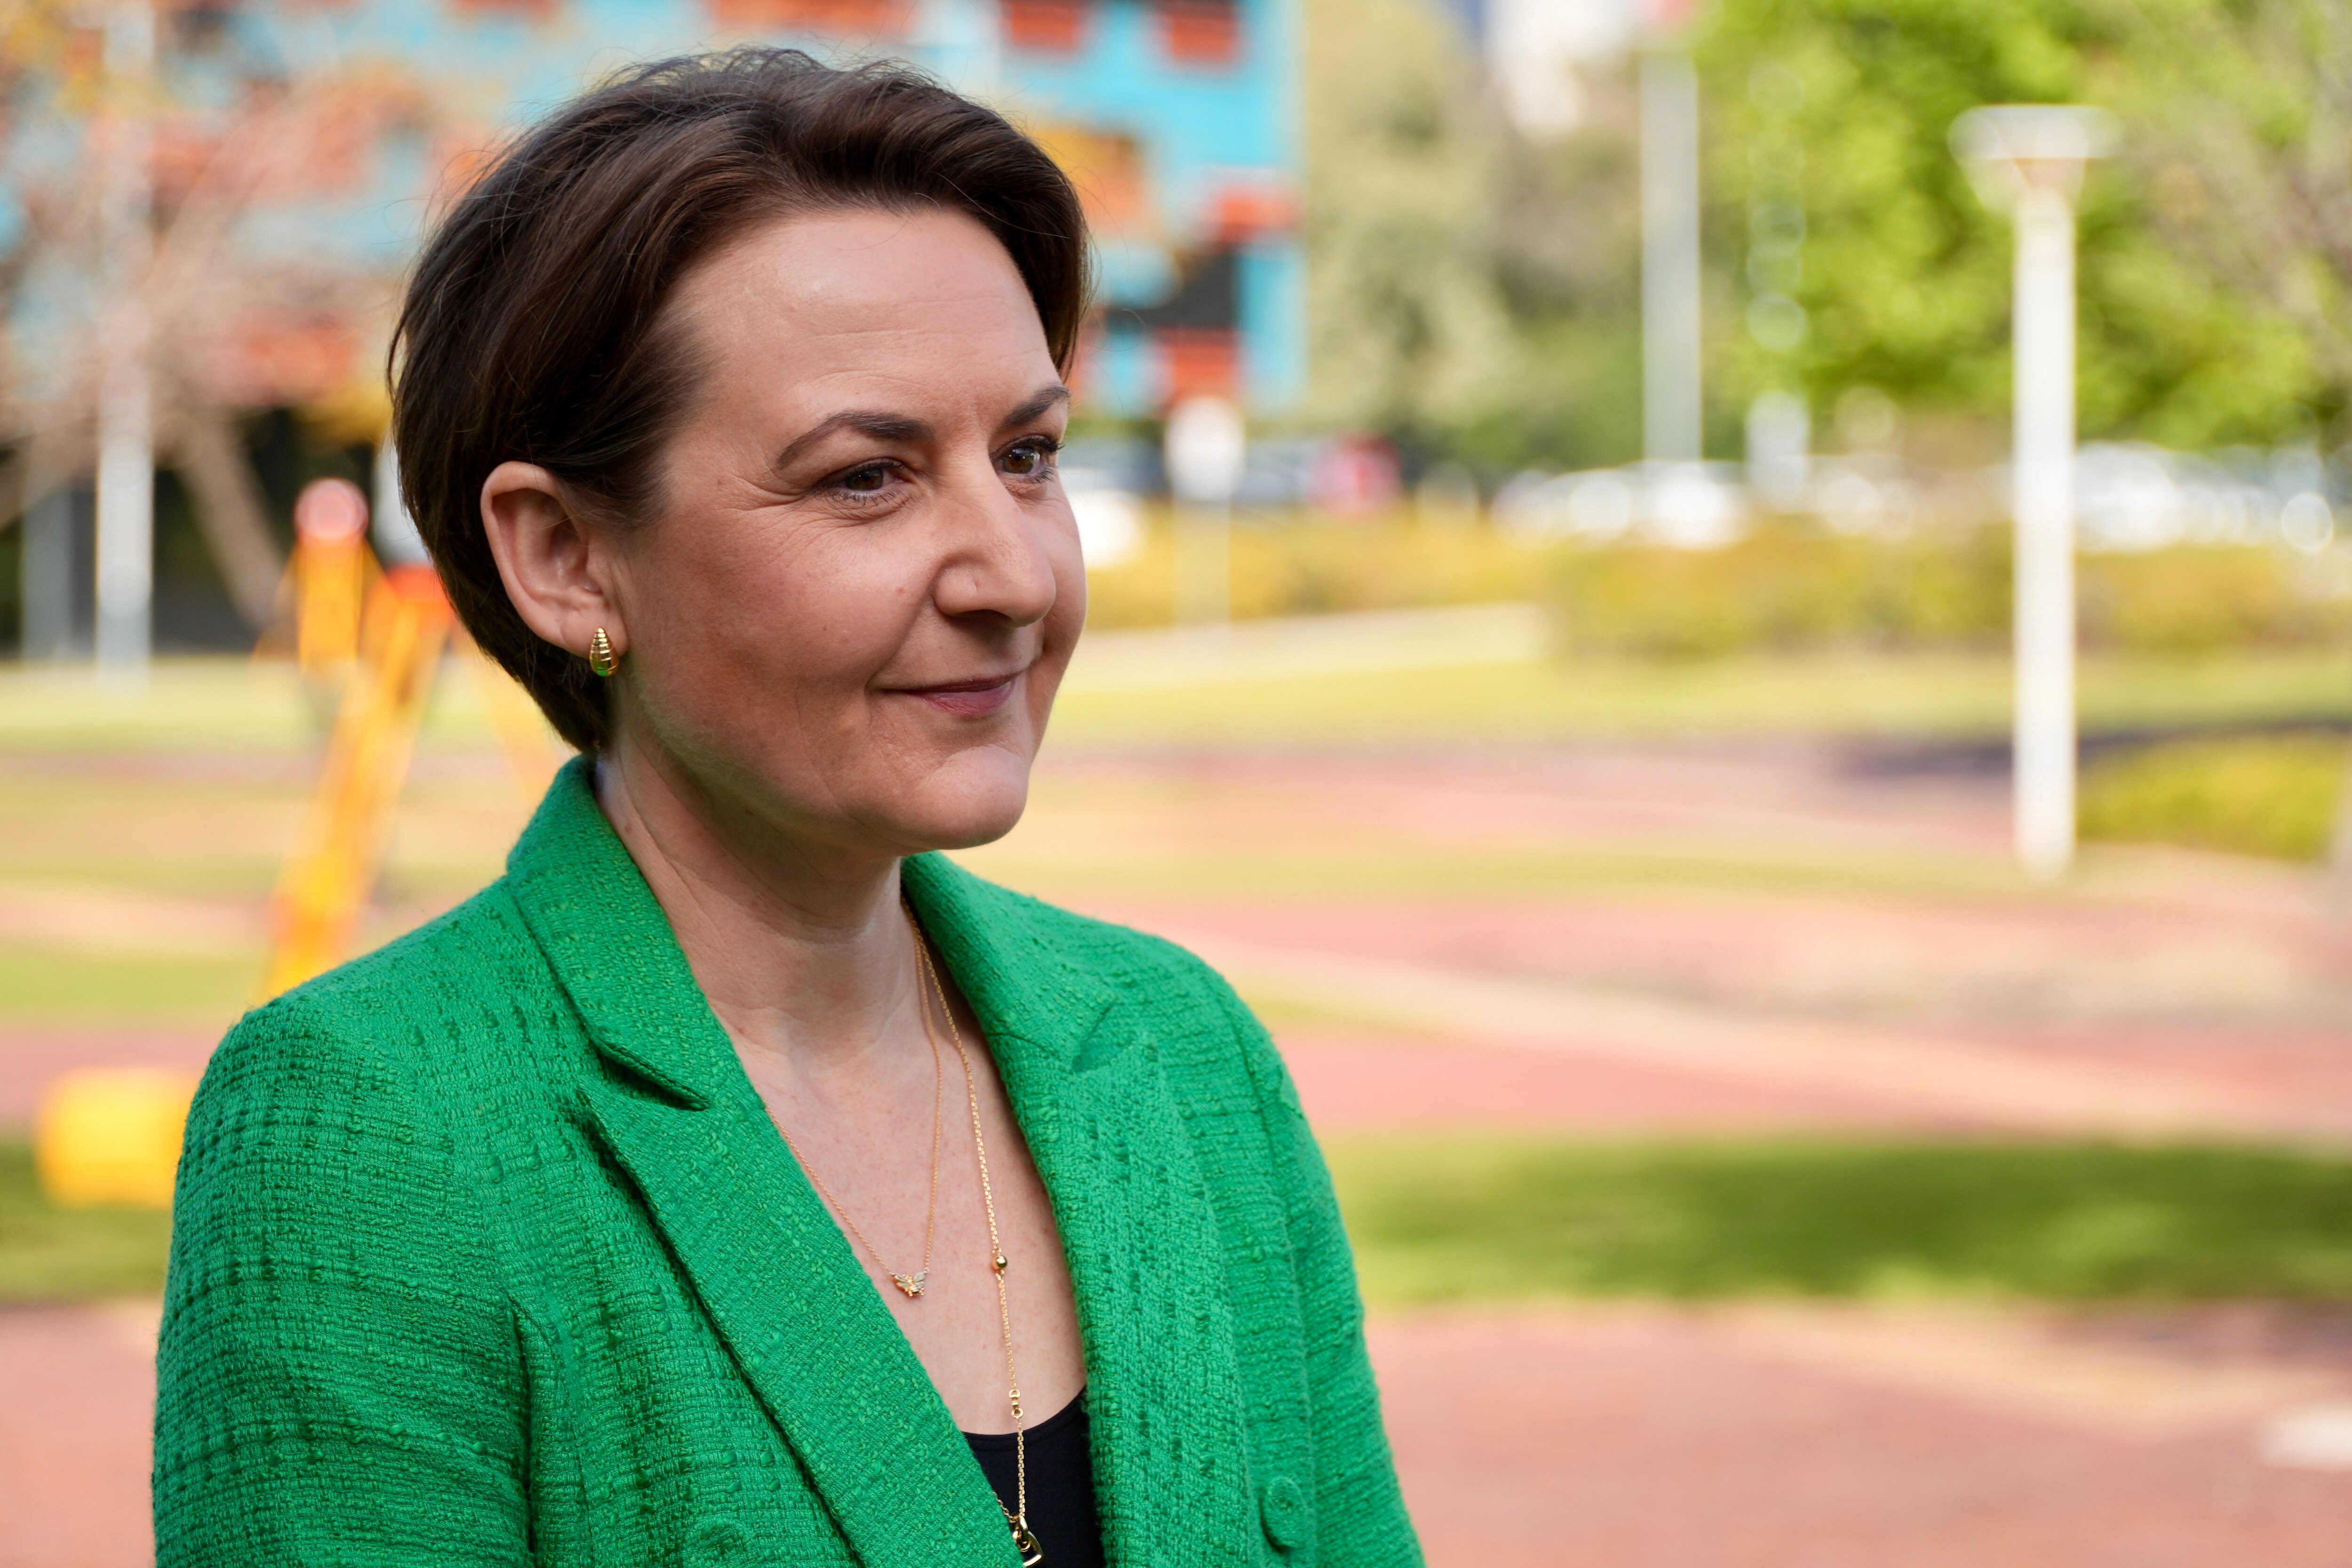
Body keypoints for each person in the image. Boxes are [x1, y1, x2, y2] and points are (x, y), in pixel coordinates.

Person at [152, 48, 1421, 1568]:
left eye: (1028, 456)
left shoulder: (1184, 1057)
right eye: (867, 479)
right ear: (564, 555)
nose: (1014, 574)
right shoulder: (374, 1128)